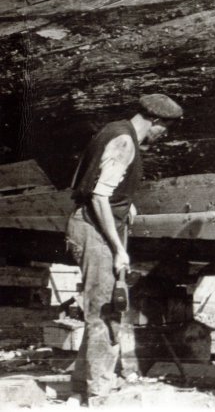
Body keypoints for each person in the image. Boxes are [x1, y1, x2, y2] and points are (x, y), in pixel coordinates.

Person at [66, 93, 183, 403]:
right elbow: (99, 196)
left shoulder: (113, 128)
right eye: (165, 130)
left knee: (100, 308)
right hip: (95, 231)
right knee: (106, 312)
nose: (163, 137)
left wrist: (126, 206)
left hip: (91, 224)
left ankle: (84, 383)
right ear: (155, 121)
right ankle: (99, 393)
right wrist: (118, 248)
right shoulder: (125, 142)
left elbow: (100, 184)